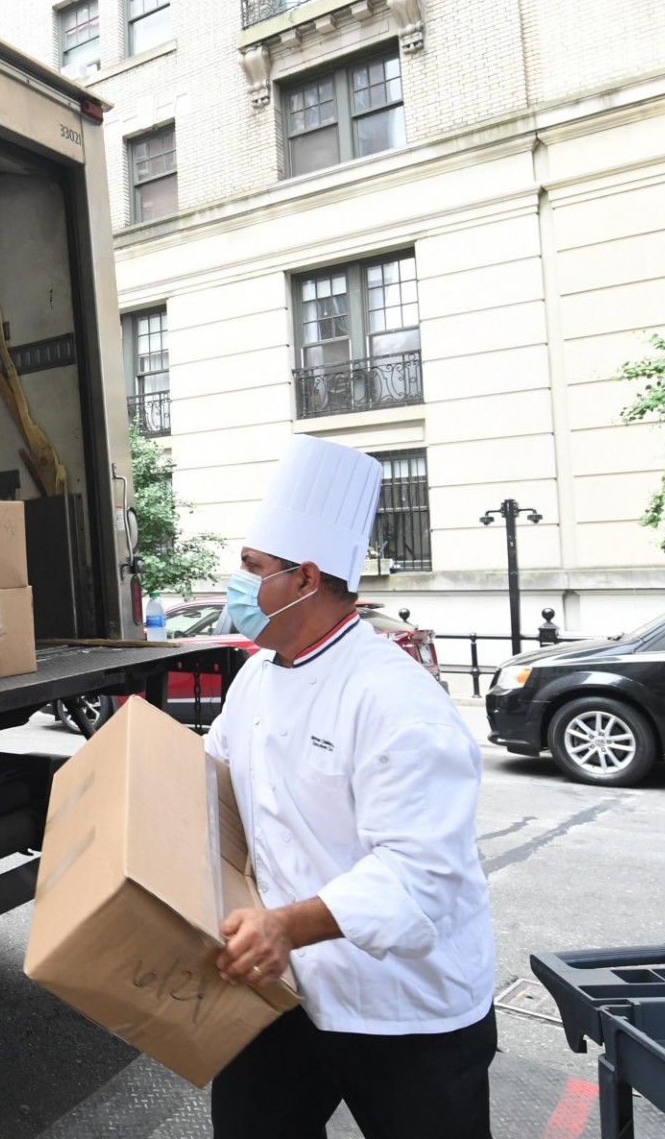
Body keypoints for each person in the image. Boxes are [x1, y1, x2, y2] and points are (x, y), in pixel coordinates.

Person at [205, 435, 495, 1139]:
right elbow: (214, 781)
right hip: (288, 990)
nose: (237, 586)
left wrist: (284, 926)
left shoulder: (395, 700)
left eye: (251, 569)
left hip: (402, 1006)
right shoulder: (257, 676)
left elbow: (419, 875)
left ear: (304, 579)